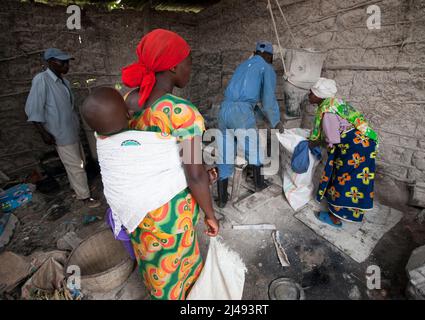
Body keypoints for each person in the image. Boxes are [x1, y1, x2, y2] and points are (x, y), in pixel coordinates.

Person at [120, 29, 219, 300]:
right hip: (169, 214)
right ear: (174, 66)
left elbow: (144, 155)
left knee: (153, 265)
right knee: (177, 271)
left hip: (140, 207)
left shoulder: (129, 100)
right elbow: (195, 174)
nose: (190, 67)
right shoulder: (181, 113)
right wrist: (210, 214)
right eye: (189, 61)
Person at [25, 48, 100, 208]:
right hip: (59, 132)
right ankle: (85, 197)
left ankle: (77, 189)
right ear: (51, 62)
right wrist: (43, 133)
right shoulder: (42, 80)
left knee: (77, 163)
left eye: (67, 62)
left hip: (71, 130)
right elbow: (33, 109)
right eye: (62, 62)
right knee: (76, 166)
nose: (66, 65)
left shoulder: (63, 82)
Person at [216, 41, 283, 208]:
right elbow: (267, 100)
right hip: (241, 112)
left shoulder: (242, 65)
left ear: (255, 52)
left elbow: (244, 100)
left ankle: (222, 199)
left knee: (224, 151)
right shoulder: (266, 68)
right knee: (254, 147)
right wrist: (276, 121)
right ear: (268, 56)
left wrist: (259, 115)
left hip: (224, 109)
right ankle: (259, 184)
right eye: (271, 58)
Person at [308, 78, 378, 227]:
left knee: (343, 179)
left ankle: (335, 218)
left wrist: (313, 142)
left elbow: (333, 138)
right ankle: (352, 212)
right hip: (364, 144)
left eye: (311, 93)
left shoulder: (327, 113)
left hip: (354, 148)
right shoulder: (335, 104)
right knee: (357, 180)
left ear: (320, 96)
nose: (309, 95)